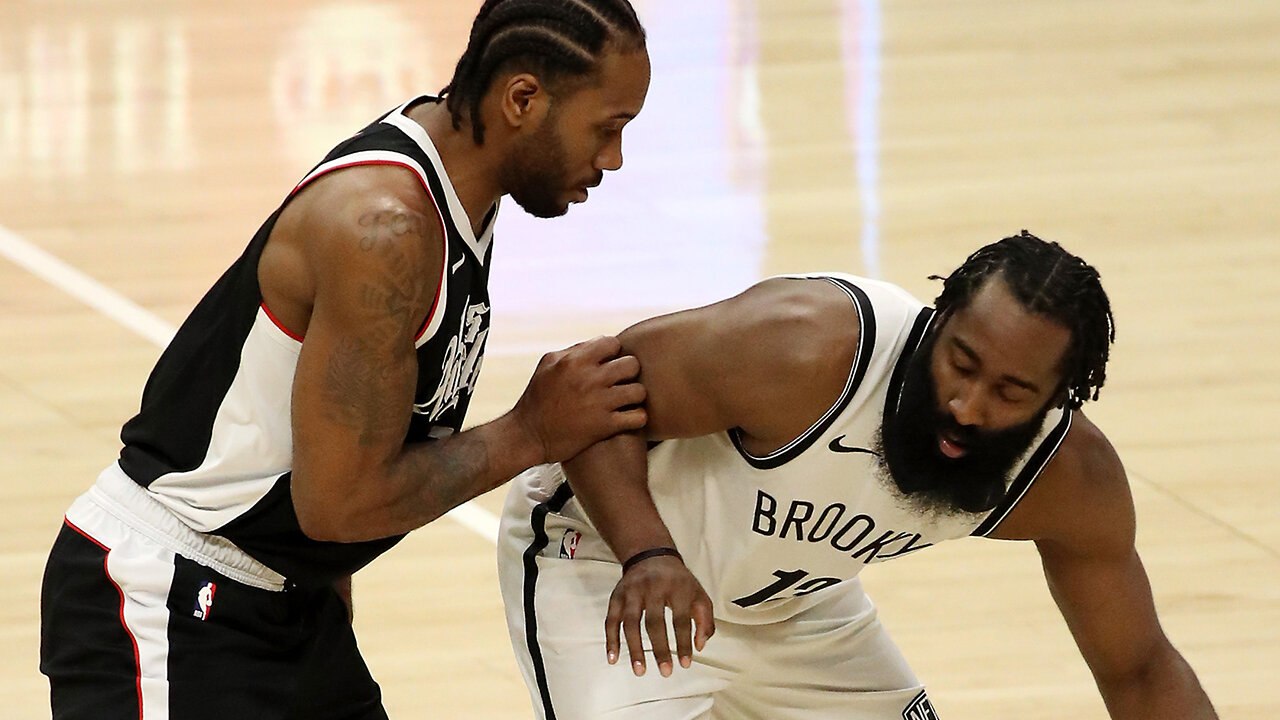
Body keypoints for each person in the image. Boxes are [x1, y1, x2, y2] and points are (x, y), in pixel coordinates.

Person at [39, 1, 651, 718]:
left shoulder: (460, 181)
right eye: (607, 128)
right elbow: (338, 503)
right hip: (170, 597)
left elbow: (344, 442)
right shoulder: (386, 227)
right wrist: (532, 431)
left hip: (284, 598)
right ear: (522, 99)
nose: (614, 159)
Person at [498, 232, 1219, 719]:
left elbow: (1140, 672)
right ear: (939, 319)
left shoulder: (1066, 481)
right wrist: (647, 552)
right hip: (611, 559)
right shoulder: (806, 345)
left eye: (1010, 393)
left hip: (792, 609)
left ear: (1057, 398)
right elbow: (584, 397)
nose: (967, 406)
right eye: (961, 363)